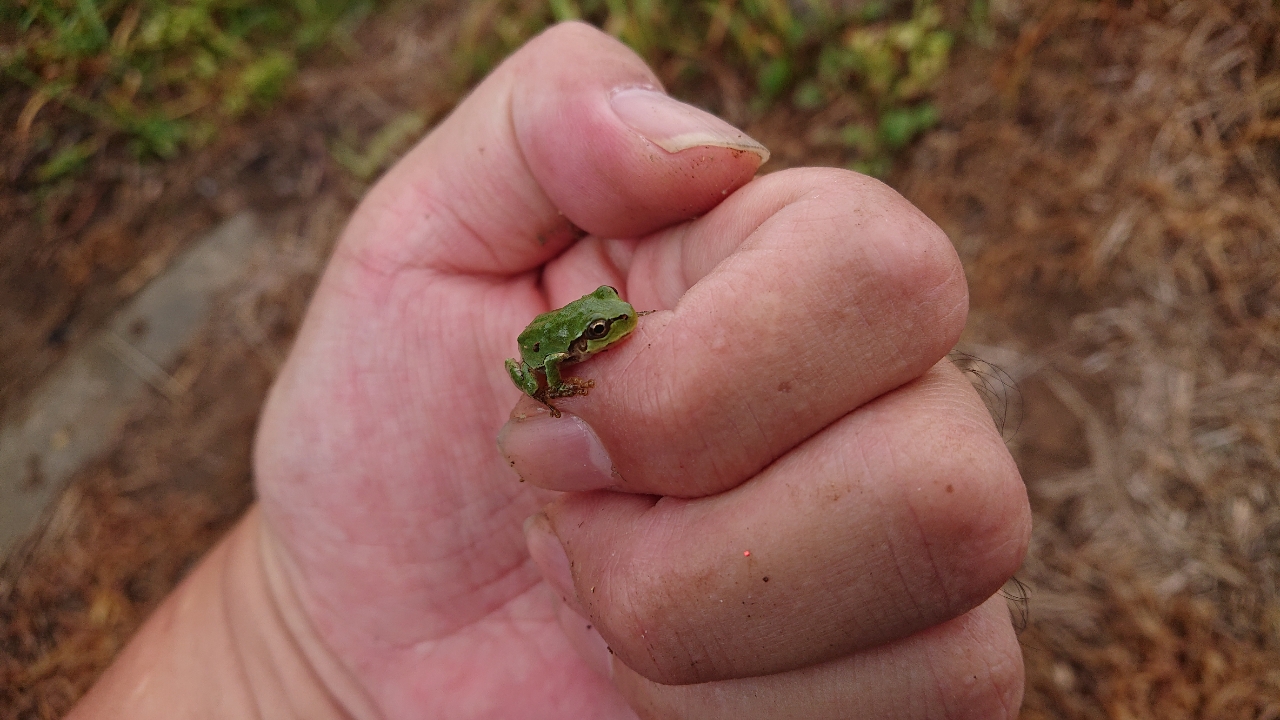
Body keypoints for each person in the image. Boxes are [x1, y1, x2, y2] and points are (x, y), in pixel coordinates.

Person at [67, 23, 1030, 720]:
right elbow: (542, 356)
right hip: (537, 363)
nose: (617, 332)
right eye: (609, 329)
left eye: (617, 328)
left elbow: (605, 325)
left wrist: (295, 646)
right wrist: (293, 639)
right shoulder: (553, 347)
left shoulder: (602, 317)